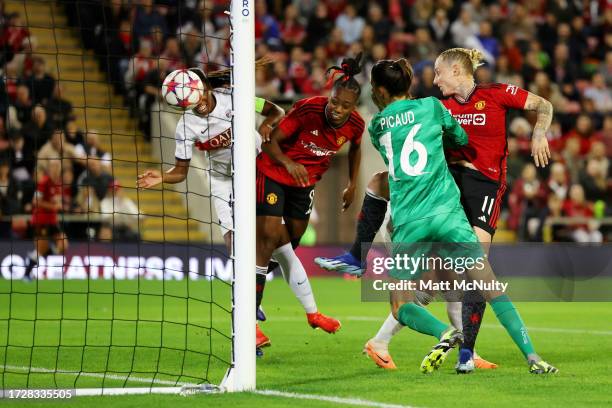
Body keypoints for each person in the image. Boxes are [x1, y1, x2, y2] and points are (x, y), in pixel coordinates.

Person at [317, 48, 555, 373]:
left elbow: (544, 104)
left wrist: (539, 132)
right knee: (460, 277)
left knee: (446, 281)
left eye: (439, 73)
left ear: (457, 71)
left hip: (475, 191)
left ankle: (428, 344)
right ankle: (466, 351)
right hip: (446, 195)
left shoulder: (495, 95)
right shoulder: (435, 106)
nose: (434, 79)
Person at [254, 55, 365, 348]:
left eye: (346, 106)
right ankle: (250, 314)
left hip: (304, 184)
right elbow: (271, 142)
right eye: (335, 102)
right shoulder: (307, 110)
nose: (338, 110)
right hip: (274, 172)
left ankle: (255, 281)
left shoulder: (355, 124)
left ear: (353, 106)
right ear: (330, 96)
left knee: (290, 242)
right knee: (266, 240)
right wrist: (289, 164)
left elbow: (356, 150)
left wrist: (353, 184)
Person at [137, 65, 284, 252]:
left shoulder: (233, 98)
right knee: (232, 241)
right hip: (220, 177)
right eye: (191, 97)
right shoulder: (185, 126)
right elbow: (181, 171)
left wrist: (267, 124)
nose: (198, 100)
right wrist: (163, 176)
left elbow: (277, 111)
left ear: (207, 87)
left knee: (275, 233)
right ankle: (244, 276)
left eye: (201, 92)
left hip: (256, 167)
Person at [23, 160, 68, 280]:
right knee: (40, 250)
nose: (56, 169)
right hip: (40, 220)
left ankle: (44, 253)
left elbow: (57, 201)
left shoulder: (58, 183)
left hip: (52, 221)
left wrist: (60, 204)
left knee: (63, 244)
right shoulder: (43, 182)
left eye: (58, 167)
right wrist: (53, 206)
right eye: (54, 167)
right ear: (49, 169)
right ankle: (26, 275)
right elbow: (35, 201)